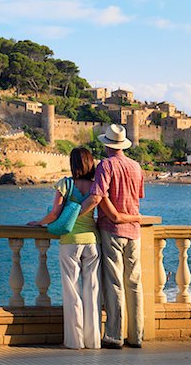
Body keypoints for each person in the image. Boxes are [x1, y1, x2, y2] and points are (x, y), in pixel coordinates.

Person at [28, 147, 134, 349]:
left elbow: (55, 214)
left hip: (70, 242)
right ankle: (93, 341)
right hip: (92, 241)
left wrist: (40, 222)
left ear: (73, 164)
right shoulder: (96, 185)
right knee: (93, 291)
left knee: (72, 291)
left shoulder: (65, 184)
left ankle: (74, 341)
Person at [80, 124, 144, 349]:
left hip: (112, 230)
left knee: (115, 282)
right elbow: (138, 197)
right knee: (134, 283)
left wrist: (75, 214)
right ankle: (136, 336)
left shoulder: (105, 165)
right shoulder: (136, 166)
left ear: (107, 144)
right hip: (134, 231)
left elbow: (96, 196)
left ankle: (114, 336)